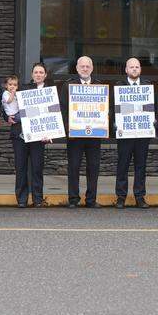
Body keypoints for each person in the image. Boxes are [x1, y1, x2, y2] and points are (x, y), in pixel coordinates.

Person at [65, 56, 104, 208]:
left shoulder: (100, 87)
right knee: (74, 167)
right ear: (77, 68)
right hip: (75, 135)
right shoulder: (68, 86)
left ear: (92, 68)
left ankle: (91, 200)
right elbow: (63, 109)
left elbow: (106, 109)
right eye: (82, 66)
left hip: (94, 135)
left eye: (88, 66)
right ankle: (73, 199)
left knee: (93, 167)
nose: (85, 69)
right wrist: (69, 127)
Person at [115, 57, 153, 209]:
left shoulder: (147, 86)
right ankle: (121, 197)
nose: (134, 69)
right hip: (125, 132)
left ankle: (140, 196)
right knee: (122, 165)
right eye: (131, 67)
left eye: (137, 67)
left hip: (142, 133)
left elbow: (150, 107)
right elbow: (116, 108)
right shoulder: (119, 86)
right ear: (126, 70)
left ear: (140, 70)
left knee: (141, 166)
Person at [21, 62, 52, 207]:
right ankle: (22, 199)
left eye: (41, 72)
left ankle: (37, 199)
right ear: (32, 74)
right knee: (22, 168)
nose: (38, 74)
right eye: (36, 72)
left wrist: (50, 133)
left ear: (45, 75)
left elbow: (54, 114)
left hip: (42, 136)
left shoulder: (51, 91)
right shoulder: (24, 89)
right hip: (25, 134)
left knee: (37, 168)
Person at [0, 74, 29, 208]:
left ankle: (37, 197)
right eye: (10, 85)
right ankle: (21, 198)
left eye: (15, 85)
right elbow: (9, 102)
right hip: (15, 120)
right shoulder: (6, 94)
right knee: (20, 164)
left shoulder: (20, 93)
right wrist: (13, 93)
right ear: (6, 85)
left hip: (22, 120)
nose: (12, 87)